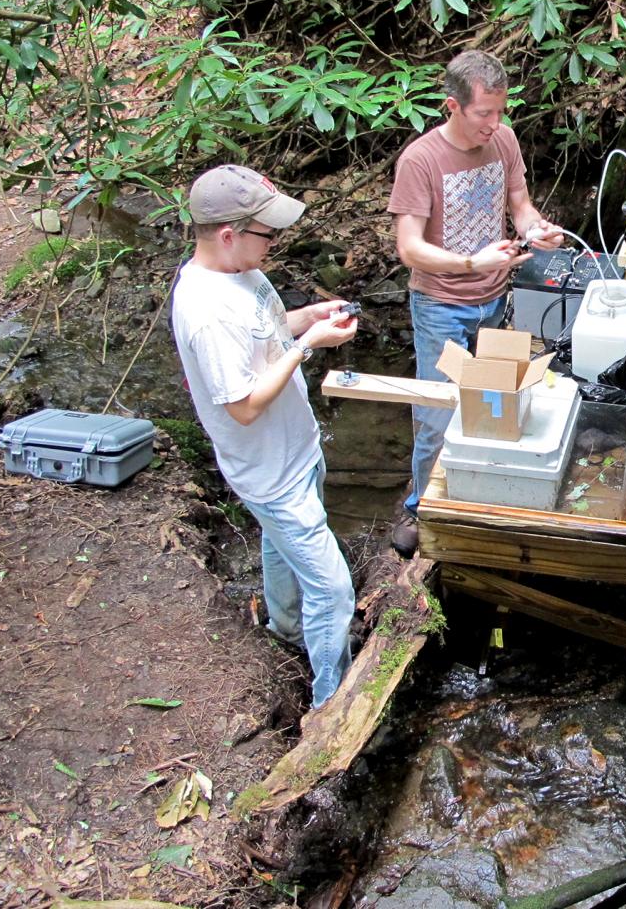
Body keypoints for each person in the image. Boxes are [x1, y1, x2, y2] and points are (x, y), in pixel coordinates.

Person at [171, 164, 359, 709]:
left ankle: (285, 629)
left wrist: (306, 320)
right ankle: (331, 706)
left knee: (279, 547)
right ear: (228, 235)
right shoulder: (206, 312)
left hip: (296, 451)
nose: (274, 244)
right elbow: (244, 406)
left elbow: (266, 333)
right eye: (268, 234)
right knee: (333, 589)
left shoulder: (240, 272)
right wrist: (310, 346)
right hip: (269, 473)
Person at [387, 49, 564, 556]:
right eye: (484, 113)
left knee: (494, 401)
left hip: (494, 301)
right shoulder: (420, 160)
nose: (495, 123)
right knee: (437, 415)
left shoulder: (503, 140)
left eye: (501, 111)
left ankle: (479, 493)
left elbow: (521, 206)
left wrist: (537, 231)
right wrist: (471, 263)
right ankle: (421, 508)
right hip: (441, 303)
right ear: (453, 107)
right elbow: (409, 248)